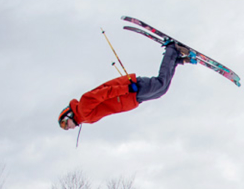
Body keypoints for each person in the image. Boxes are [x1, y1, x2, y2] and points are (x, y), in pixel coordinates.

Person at [58, 42, 195, 130]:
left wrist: (127, 88)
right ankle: (175, 60)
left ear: (68, 115)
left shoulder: (83, 106)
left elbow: (105, 92)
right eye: (65, 128)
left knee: (160, 84)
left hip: (130, 91)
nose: (68, 128)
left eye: (65, 124)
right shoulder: (84, 118)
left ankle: (171, 49)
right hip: (130, 99)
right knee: (162, 90)